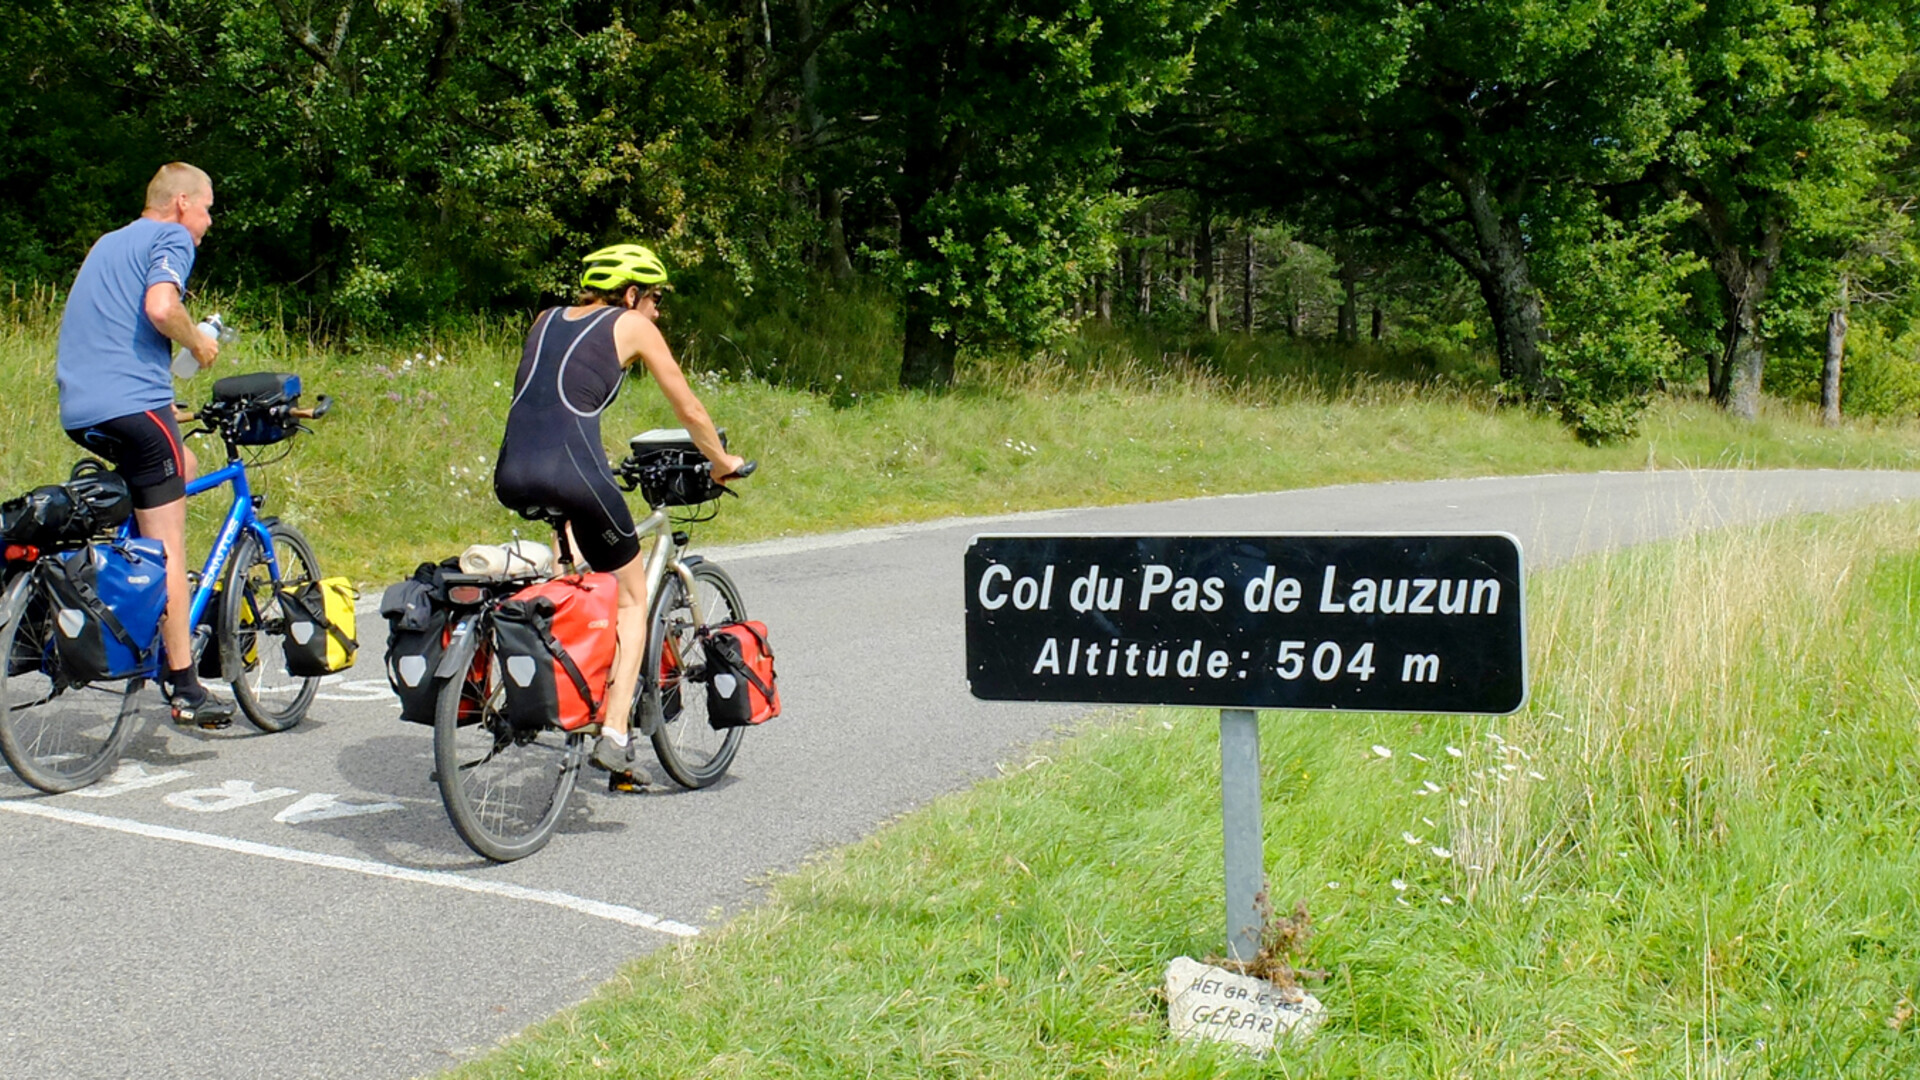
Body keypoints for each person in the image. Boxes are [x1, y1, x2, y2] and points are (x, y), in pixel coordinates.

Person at [493, 243, 747, 775]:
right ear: (631, 294)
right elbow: (688, 405)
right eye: (654, 299)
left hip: (513, 469)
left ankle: (555, 687)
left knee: (574, 579)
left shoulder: (545, 318)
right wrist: (721, 460)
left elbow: (549, 403)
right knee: (632, 598)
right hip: (570, 469)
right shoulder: (631, 325)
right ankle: (613, 732)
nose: (656, 311)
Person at [56, 162, 232, 727]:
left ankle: (125, 594)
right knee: (169, 545)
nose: (207, 222)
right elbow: (161, 308)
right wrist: (199, 345)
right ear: (182, 203)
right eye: (206, 208)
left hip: (81, 409)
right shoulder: (171, 236)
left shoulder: (109, 243)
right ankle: (185, 684)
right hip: (133, 404)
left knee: (181, 460)